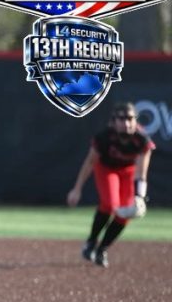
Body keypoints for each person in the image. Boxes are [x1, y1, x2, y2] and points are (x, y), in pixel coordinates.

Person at [66, 102, 155, 268]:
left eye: (130, 118)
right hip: (106, 169)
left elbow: (141, 172)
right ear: (114, 121)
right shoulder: (105, 137)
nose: (126, 123)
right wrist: (77, 189)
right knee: (110, 204)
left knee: (127, 211)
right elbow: (90, 162)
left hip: (128, 171)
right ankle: (91, 242)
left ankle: (102, 249)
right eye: (121, 119)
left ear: (136, 120)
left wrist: (139, 196)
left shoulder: (142, 140)